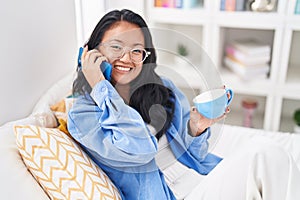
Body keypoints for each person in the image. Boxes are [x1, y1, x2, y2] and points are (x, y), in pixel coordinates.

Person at [68, 9, 300, 200]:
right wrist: (101, 87)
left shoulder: (161, 90)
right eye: (116, 47)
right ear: (91, 52)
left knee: (274, 157)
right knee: (264, 154)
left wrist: (196, 128)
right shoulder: (83, 115)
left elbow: (196, 156)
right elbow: (139, 149)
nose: (127, 58)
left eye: (136, 50)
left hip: (194, 185)